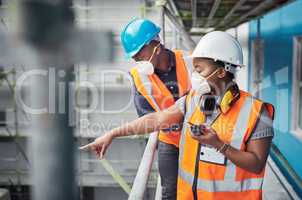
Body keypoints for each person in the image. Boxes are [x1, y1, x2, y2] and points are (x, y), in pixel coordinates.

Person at [80, 31, 275, 200]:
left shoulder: (258, 112)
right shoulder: (192, 100)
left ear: (222, 71)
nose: (194, 76)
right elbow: (156, 119)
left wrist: (219, 145)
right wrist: (113, 133)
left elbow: (256, 164)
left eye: (199, 69)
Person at [121, 19, 191, 199]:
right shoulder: (139, 77)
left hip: (199, 137)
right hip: (170, 140)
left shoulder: (189, 61)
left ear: (156, 47)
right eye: (134, 57)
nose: (136, 60)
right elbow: (147, 117)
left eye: (138, 55)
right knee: (169, 192)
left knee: (198, 186)